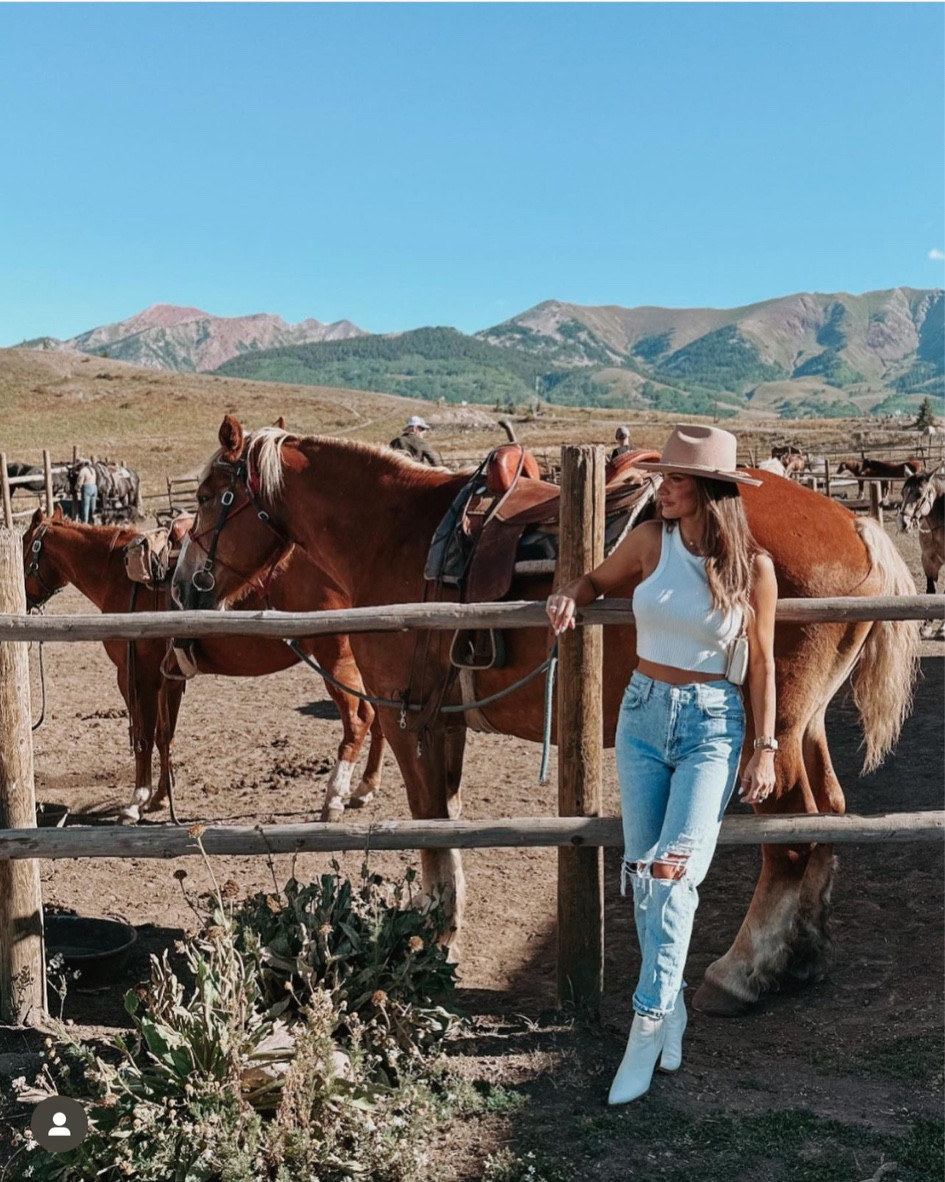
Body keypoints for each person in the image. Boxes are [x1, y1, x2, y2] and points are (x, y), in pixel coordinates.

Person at [545, 423, 777, 1105]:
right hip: (642, 714)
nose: (662, 489)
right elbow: (595, 580)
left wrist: (764, 747)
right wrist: (569, 594)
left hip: (712, 724)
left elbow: (763, 665)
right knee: (645, 877)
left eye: (674, 479)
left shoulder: (753, 568)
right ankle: (670, 1007)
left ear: (708, 489)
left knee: (672, 876)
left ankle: (645, 1026)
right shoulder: (650, 541)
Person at [74, 459, 98, 523]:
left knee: (86, 506)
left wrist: (76, 488)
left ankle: (85, 521)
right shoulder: (93, 470)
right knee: (93, 506)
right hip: (94, 487)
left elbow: (80, 482)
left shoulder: (83, 470)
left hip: (87, 487)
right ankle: (94, 521)